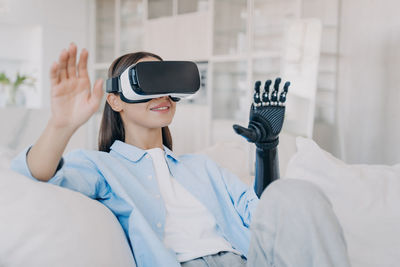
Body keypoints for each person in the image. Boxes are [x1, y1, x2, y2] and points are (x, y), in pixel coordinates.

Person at [11, 43, 351, 267]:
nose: (163, 95)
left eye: (167, 82)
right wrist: (61, 124)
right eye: (148, 83)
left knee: (296, 191)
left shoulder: (201, 167)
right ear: (115, 100)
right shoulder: (102, 167)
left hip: (246, 259)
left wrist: (266, 151)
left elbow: (265, 214)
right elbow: (36, 175)